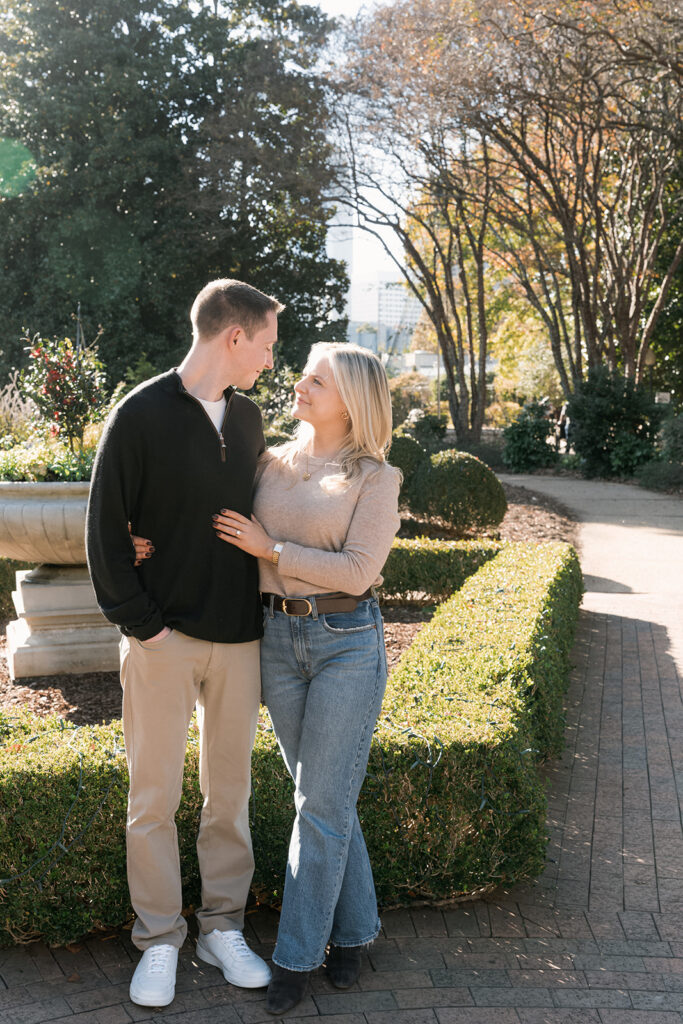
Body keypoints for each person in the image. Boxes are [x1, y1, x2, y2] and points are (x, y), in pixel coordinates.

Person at [86, 279, 284, 1009]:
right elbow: (104, 528)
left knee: (228, 796)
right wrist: (145, 626)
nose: (268, 359)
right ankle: (159, 937)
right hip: (161, 639)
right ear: (233, 336)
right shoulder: (138, 413)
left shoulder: (253, 417)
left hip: (238, 639)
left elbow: (275, 508)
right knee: (154, 799)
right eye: (264, 344)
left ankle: (221, 928)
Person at [206, 342, 400, 1012]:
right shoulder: (269, 462)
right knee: (325, 796)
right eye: (304, 373)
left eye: (317, 378)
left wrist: (273, 551)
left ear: (352, 398)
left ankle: (295, 958)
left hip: (346, 641)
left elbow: (357, 572)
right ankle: (352, 933)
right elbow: (211, 518)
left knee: (318, 804)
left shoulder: (375, 477)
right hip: (276, 639)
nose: (301, 383)